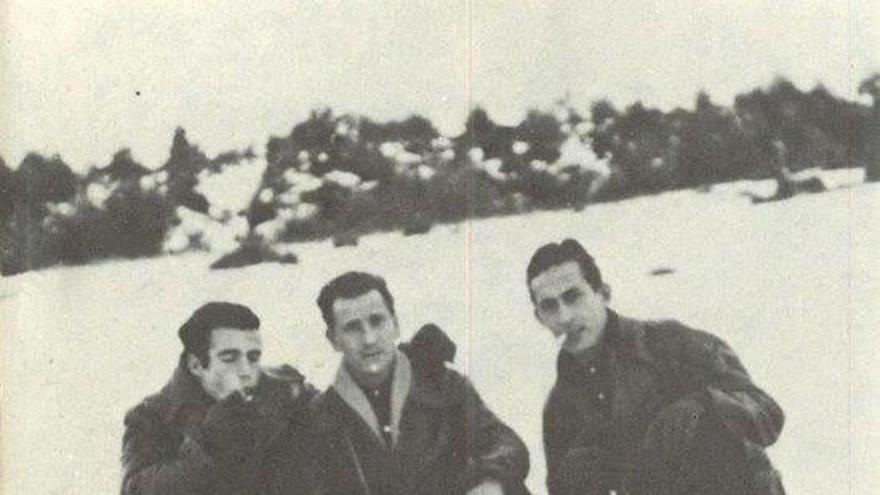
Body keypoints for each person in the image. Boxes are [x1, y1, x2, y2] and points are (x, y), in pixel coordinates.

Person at [527, 239, 785, 495]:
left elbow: (767, 413)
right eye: (549, 306)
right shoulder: (561, 407)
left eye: (573, 297)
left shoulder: (670, 344)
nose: (564, 317)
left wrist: (704, 406)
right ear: (540, 318)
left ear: (603, 294)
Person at [311, 271, 531, 495]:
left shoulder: (442, 384)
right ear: (333, 339)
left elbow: (504, 443)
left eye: (377, 321)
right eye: (352, 328)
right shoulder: (321, 419)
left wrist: (491, 480)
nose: (369, 339)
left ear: (395, 325)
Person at [120, 302, 318, 495]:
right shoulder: (152, 417)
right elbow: (137, 490)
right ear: (196, 365)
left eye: (253, 357)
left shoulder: (285, 391)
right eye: (229, 358)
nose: (245, 371)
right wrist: (210, 441)